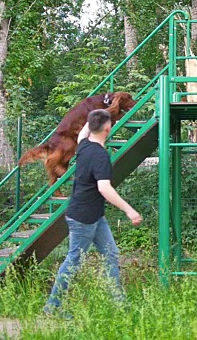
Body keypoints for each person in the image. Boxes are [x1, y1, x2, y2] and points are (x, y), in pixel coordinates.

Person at [44, 109, 142, 314]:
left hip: (94, 216)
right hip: (84, 218)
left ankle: (120, 305)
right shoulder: (99, 155)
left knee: (111, 254)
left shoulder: (84, 145)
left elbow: (82, 132)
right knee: (73, 260)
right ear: (108, 128)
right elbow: (104, 188)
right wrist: (129, 210)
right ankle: (52, 307)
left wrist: (98, 113)